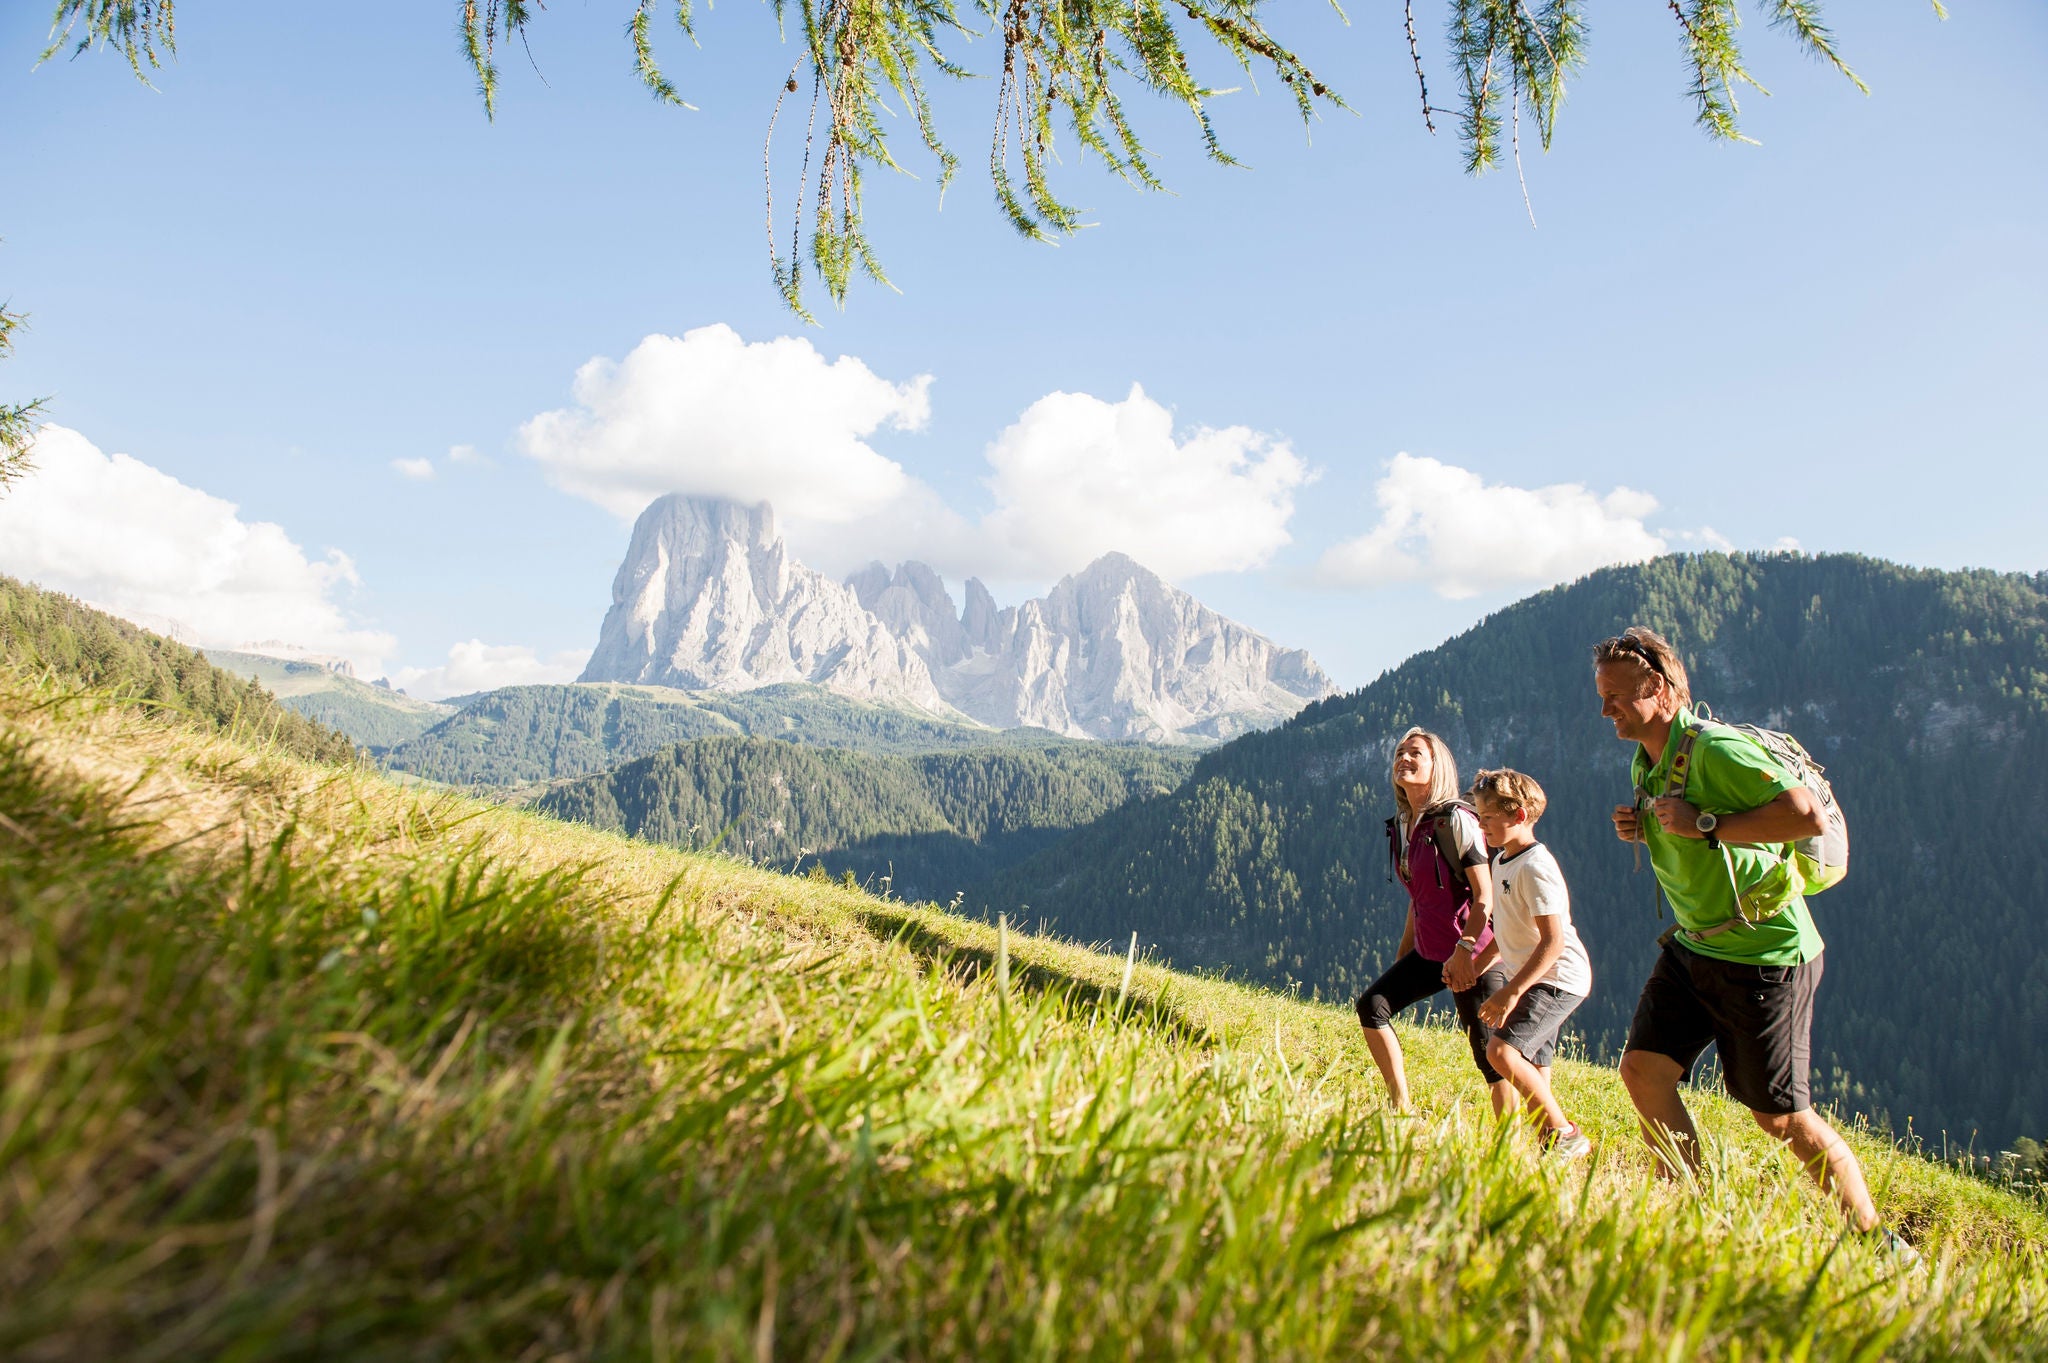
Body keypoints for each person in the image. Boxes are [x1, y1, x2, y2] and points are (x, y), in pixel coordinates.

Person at [1594, 626, 1899, 1243]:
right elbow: (1680, 829)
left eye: (1616, 696)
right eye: (1601, 697)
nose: (1606, 709)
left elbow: (1803, 815)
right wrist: (1643, 827)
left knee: (1781, 1117)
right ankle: (1689, 1216)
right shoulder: (1647, 757)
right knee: (1644, 1073)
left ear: (1656, 686)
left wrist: (1707, 822)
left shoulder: (1717, 749)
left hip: (1764, 952)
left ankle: (1879, 1242)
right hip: (1694, 943)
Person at [1356, 727, 1514, 1116]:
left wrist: (1466, 954)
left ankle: (1509, 1146)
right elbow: (1419, 899)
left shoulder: (1456, 820)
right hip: (1430, 952)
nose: (1403, 759)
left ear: (1436, 765)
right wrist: (1403, 955)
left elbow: (1485, 896)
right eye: (1399, 753)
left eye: (1415, 754)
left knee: (1490, 1055)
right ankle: (1400, 1107)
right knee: (1372, 1007)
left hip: (1472, 953)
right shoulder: (1403, 824)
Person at [1470, 768, 1594, 1159]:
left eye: (1488, 818)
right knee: (1533, 1071)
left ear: (1519, 816)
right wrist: (1480, 964)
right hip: (1537, 975)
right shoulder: (1504, 860)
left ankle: (1565, 1134)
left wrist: (1511, 990)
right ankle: (1549, 1148)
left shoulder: (1536, 867)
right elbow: (1506, 929)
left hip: (1557, 977)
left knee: (1502, 1054)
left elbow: (1553, 941)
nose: (1481, 825)